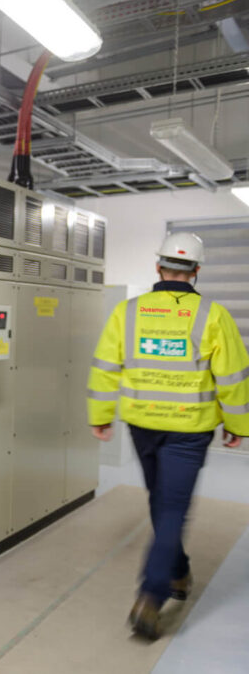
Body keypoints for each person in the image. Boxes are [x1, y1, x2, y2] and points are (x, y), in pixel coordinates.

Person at [87, 232, 249, 640]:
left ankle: (177, 574)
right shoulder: (214, 316)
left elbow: (106, 366)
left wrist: (100, 415)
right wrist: (238, 425)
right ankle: (152, 593)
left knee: (161, 502)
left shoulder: (128, 312)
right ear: (196, 272)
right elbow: (232, 378)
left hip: (142, 425)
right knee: (172, 508)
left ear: (158, 267)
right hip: (188, 430)